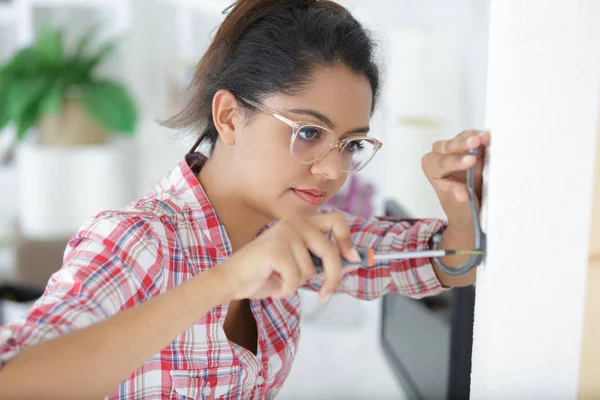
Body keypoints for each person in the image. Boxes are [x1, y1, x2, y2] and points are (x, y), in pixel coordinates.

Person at [0, 0, 491, 398]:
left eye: (351, 145)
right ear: (230, 116)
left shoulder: (294, 230)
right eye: (307, 132)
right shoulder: (137, 240)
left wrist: (458, 204)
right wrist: (228, 276)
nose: (332, 170)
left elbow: (453, 264)